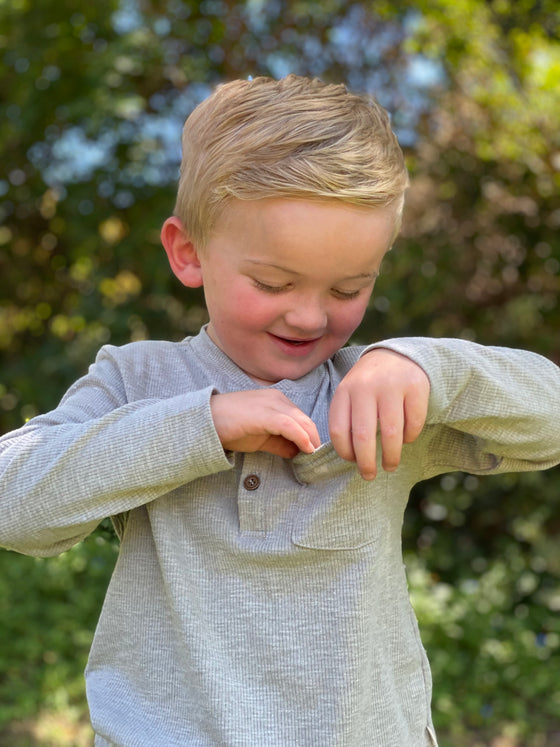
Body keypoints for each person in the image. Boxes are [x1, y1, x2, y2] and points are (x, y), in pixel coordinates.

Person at [0, 75, 559, 747]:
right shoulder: (139, 378)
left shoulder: (379, 390)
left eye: (350, 287)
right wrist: (199, 427)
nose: (309, 314)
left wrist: (428, 367)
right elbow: (14, 502)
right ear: (188, 253)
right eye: (273, 282)